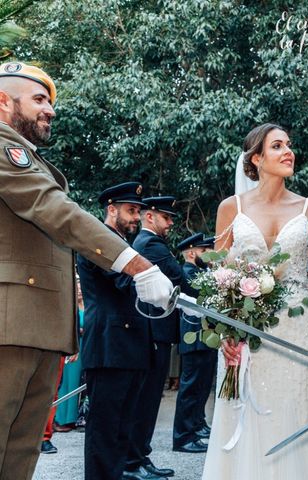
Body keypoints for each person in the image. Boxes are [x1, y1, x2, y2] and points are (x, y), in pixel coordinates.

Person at [0, 61, 173, 479]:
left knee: (19, 456)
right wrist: (137, 264)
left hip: (32, 326)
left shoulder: (29, 158)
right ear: (3, 102)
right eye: (39, 99)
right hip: (9, 326)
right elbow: (51, 207)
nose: (50, 110)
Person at [202, 123, 308, 479]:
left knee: (296, 414)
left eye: (289, 145)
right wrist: (226, 331)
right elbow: (217, 277)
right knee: (245, 415)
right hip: (244, 332)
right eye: (277, 146)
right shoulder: (230, 208)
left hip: (297, 329)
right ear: (257, 158)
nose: (289, 151)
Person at [77, 182, 159, 480]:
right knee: (105, 431)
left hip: (131, 346)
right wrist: (154, 275)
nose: (136, 217)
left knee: (123, 428)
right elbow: (125, 281)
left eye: (138, 211)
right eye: (131, 210)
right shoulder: (99, 240)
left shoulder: (123, 244)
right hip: (110, 346)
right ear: (111, 209)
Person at [125, 196, 193, 479]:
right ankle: (132, 462)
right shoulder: (150, 244)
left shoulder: (151, 244)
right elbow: (179, 277)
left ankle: (140, 457)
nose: (170, 223)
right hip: (152, 331)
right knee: (146, 399)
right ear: (149, 217)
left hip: (156, 331)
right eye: (166, 218)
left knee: (151, 398)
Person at [173, 233, 217, 454]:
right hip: (194, 335)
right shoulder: (188, 273)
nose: (208, 254)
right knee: (190, 388)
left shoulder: (200, 271)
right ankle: (183, 435)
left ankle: (197, 425)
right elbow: (204, 296)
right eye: (203, 250)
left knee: (201, 387)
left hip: (205, 337)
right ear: (191, 253)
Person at [54, 278, 86, 432]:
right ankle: (63, 419)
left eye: (81, 288)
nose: (79, 291)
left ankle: (79, 417)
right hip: (74, 348)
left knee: (83, 384)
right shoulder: (70, 308)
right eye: (77, 288)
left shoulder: (90, 305)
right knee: (69, 383)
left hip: (88, 347)